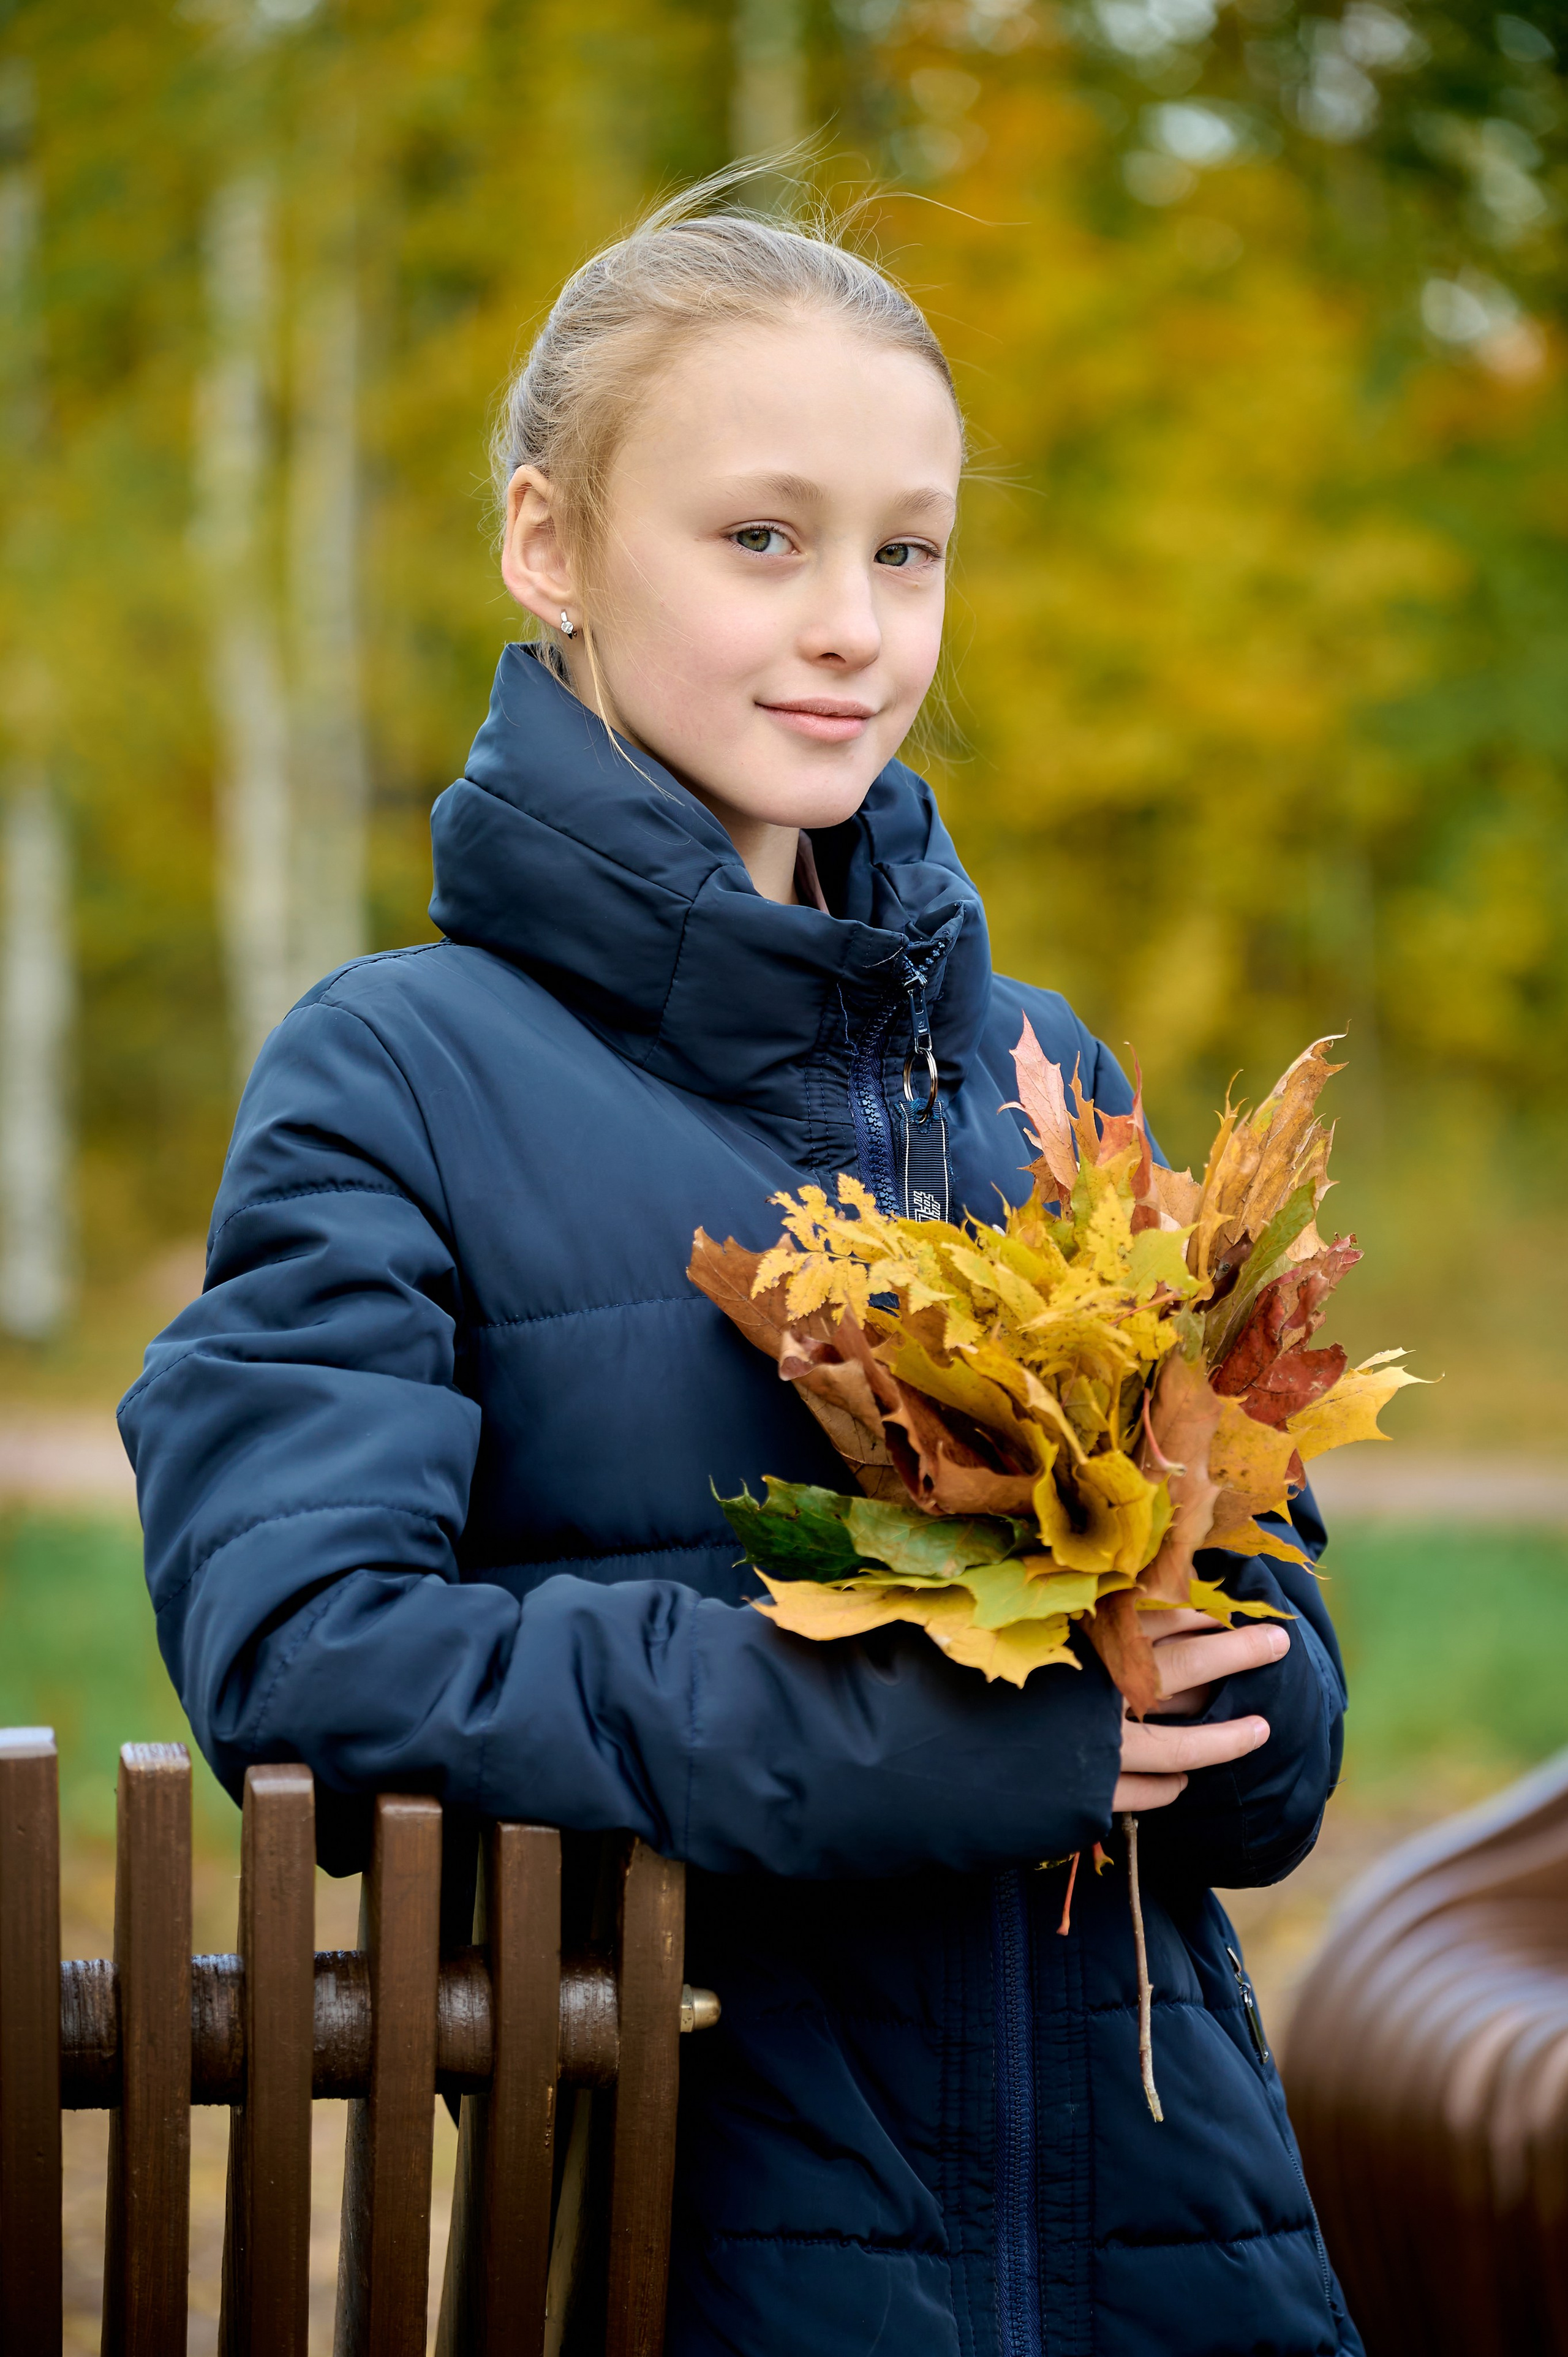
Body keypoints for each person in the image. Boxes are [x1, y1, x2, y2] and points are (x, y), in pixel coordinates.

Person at [121, 177, 1361, 2357]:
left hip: (1175, 2255)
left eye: (908, 550)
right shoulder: (397, 1072)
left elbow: (1273, 1644)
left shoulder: (1041, 1066)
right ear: (551, 544)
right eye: (763, 539)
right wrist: (931, 1719)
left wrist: (1232, 1697)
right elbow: (306, 1648)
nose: (853, 627)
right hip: (714, 2243)